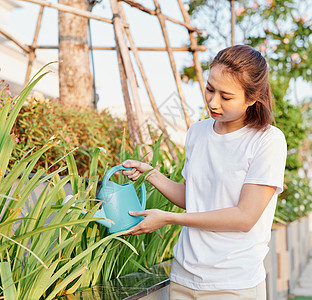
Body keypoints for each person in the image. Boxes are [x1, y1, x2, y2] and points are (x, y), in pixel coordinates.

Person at [120, 45, 287, 299]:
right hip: (183, 277)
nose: (212, 102)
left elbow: (244, 218)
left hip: (234, 283)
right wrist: (150, 174)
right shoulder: (198, 132)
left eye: (226, 96)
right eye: (209, 89)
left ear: (252, 98)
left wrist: (169, 218)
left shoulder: (267, 140)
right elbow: (194, 198)